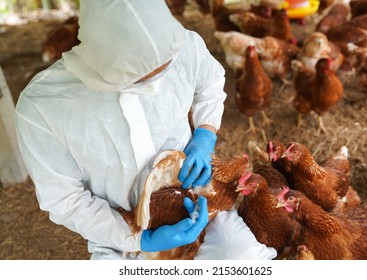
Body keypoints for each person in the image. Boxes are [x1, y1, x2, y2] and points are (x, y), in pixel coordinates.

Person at [15, 0, 276, 260]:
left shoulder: (180, 43)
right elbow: (65, 198)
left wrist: (204, 136)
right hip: (121, 227)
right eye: (143, 78)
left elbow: (210, 83)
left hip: (198, 203)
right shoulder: (43, 107)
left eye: (166, 66)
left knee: (245, 258)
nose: (157, 82)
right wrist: (140, 239)